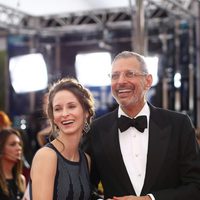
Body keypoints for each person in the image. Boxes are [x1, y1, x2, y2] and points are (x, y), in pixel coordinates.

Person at [82, 51, 200, 200]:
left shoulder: (179, 124)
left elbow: (195, 187)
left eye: (130, 74)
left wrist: (150, 199)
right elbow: (85, 188)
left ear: (148, 81)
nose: (120, 81)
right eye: (115, 76)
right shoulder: (96, 131)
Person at [30, 77, 95, 199]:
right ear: (53, 117)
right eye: (58, 109)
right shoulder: (46, 156)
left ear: (86, 111)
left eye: (71, 106)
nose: (64, 114)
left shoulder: (86, 160)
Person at [0, 127, 26, 200]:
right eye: (12, 144)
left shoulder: (21, 180)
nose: (19, 148)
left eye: (19, 144)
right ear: (1, 148)